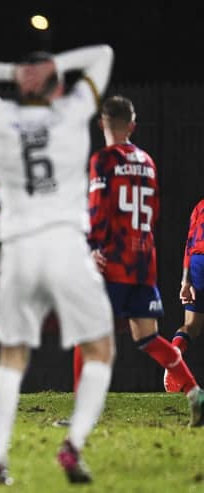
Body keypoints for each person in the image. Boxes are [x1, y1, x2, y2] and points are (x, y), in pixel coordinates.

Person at [0, 45, 116, 485]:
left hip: (19, 249)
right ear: (58, 85)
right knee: (101, 349)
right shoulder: (72, 111)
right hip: (65, 243)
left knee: (11, 357)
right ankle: (73, 445)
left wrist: (12, 70)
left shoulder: (0, 117)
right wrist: (54, 66)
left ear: (23, 86)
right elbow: (103, 55)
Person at [73, 95, 204, 421]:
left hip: (114, 259)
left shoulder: (103, 160)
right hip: (143, 261)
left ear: (102, 123)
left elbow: (98, 209)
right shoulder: (147, 161)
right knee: (147, 336)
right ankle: (194, 392)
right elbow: (154, 212)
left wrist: (93, 247)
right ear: (132, 125)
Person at [164, 199, 204, 391]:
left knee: (191, 326)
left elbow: (189, 243)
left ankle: (176, 350)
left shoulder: (199, 206)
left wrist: (185, 281)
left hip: (197, 262)